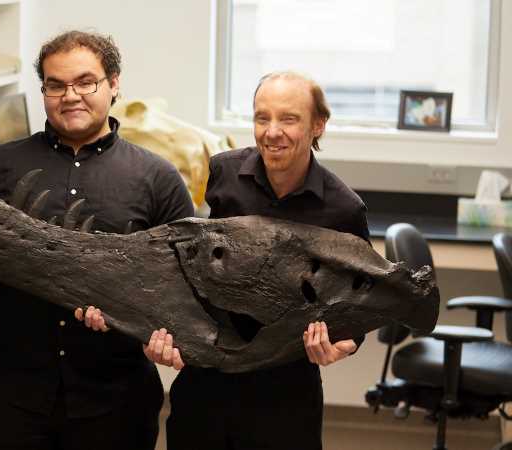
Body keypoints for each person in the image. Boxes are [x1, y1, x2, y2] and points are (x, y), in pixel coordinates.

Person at [0, 30, 194, 450]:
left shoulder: (157, 179)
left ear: (114, 84)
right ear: (43, 88)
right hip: (6, 398)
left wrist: (130, 317)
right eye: (56, 85)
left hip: (114, 403)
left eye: (86, 82)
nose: (71, 96)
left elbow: (179, 287)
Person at [83, 71, 370, 449]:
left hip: (285, 392)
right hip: (208, 382)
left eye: (289, 119)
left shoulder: (343, 209)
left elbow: (361, 302)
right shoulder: (223, 173)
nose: (272, 132)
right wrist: (161, 332)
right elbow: (193, 274)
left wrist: (344, 343)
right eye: (261, 117)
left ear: (318, 125)